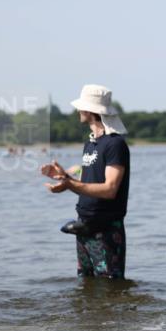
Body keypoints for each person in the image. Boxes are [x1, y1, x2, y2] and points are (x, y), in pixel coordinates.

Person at [40, 84, 131, 280]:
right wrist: (65, 179)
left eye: (81, 107)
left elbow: (110, 189)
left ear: (90, 111)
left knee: (110, 289)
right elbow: (87, 184)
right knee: (86, 286)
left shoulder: (115, 144)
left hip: (106, 229)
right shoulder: (90, 144)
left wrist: (70, 184)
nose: (78, 111)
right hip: (84, 226)